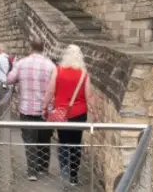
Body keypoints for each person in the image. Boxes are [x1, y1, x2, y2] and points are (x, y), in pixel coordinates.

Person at [6, 37, 56, 181]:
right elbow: (54, 86)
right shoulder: (50, 65)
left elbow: (9, 79)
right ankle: (43, 168)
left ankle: (32, 172)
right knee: (45, 139)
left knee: (30, 140)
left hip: (27, 109)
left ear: (30, 48)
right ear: (43, 48)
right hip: (46, 110)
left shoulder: (21, 63)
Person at [42, 44, 91, 185]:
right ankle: (74, 176)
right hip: (80, 114)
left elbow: (50, 91)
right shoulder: (84, 75)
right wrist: (95, 111)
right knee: (76, 144)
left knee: (63, 142)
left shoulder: (58, 71)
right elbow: (89, 96)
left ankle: (64, 171)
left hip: (61, 113)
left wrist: (44, 107)